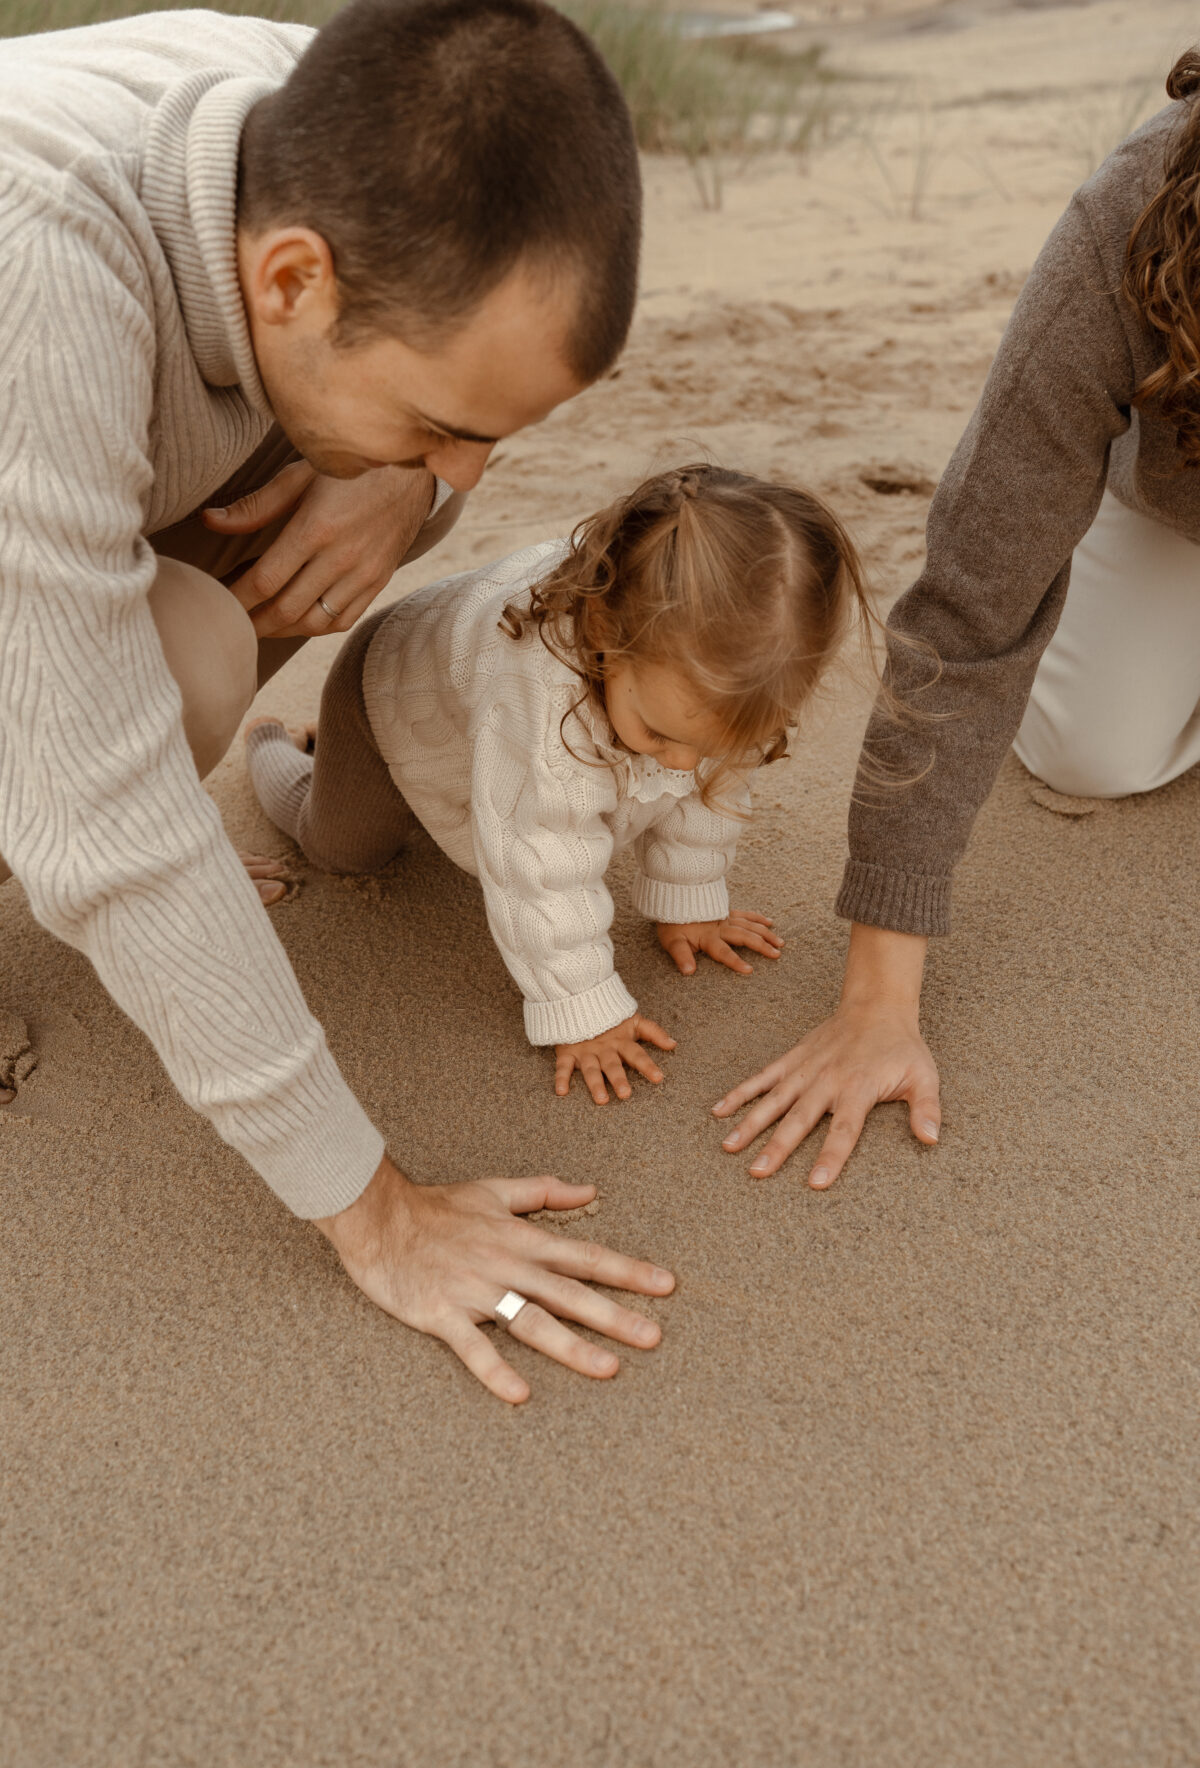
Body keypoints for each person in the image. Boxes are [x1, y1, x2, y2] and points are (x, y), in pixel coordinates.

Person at [0, 0, 676, 1406]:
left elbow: (446, 403)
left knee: (341, 507)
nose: (468, 466)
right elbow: (108, 820)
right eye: (446, 426)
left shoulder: (307, 122)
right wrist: (380, 1217)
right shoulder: (41, 269)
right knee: (168, 677)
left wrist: (403, 473)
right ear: (294, 280)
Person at [713, 48, 1200, 1187]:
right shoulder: (1122, 228)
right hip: (1176, 499)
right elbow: (969, 612)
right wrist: (876, 1001)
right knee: (1092, 753)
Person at [244, 464, 873, 1101]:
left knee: (667, 753)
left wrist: (689, 901)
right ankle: (276, 747)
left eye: (709, 745)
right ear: (602, 635)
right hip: (387, 700)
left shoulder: (730, 674)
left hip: (476, 720)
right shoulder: (541, 696)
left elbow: (711, 785)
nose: (683, 766)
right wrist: (585, 1009)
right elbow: (539, 861)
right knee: (343, 850)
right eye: (660, 735)